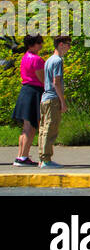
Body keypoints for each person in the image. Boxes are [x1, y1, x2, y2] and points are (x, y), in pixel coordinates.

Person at [10, 35, 44, 166]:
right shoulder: (37, 59)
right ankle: (23, 156)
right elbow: (42, 79)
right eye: (39, 43)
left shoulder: (25, 57)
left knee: (26, 126)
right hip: (34, 92)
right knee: (31, 127)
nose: (41, 45)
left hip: (25, 91)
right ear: (32, 44)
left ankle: (21, 155)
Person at [37, 36, 71, 168]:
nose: (69, 48)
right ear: (61, 44)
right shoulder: (57, 61)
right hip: (52, 99)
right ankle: (46, 159)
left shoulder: (49, 60)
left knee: (43, 129)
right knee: (51, 129)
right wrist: (63, 102)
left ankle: (42, 157)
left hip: (45, 98)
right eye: (68, 45)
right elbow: (56, 82)